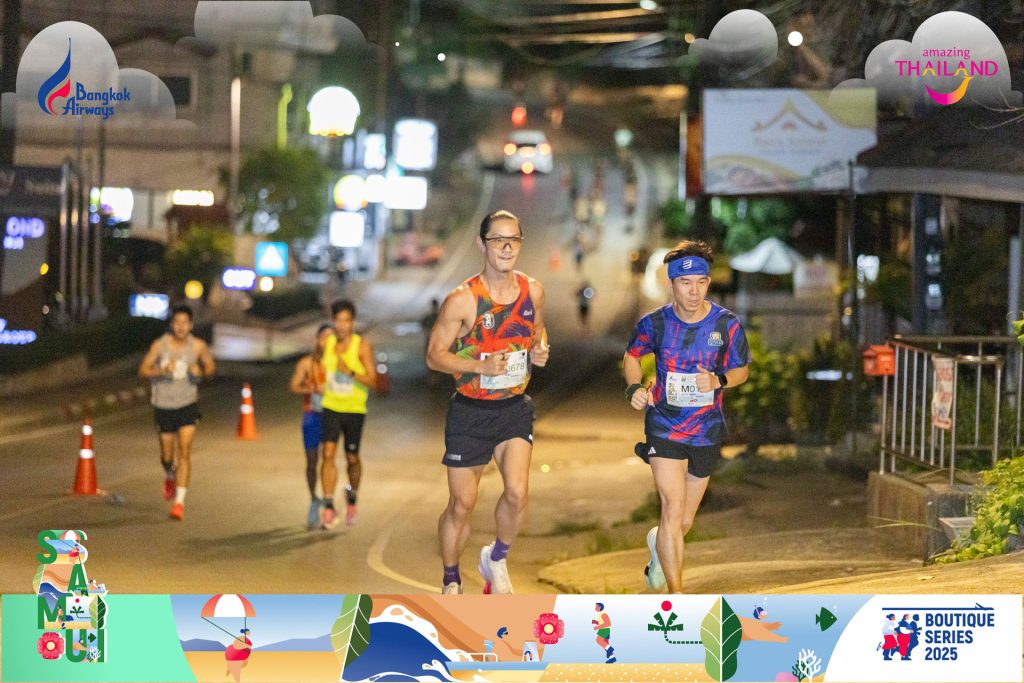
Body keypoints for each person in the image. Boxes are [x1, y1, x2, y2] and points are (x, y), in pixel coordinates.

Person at [426, 209, 550, 595]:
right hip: (470, 411)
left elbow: (538, 331)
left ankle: (496, 558)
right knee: (462, 504)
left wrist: (540, 349)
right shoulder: (463, 300)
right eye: (498, 240)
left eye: (513, 239)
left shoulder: (533, 291)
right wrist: (478, 365)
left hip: (513, 407)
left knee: (517, 492)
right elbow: (434, 356)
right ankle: (451, 579)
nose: (507, 247)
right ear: (482, 244)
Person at [624, 240, 750, 593]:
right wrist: (634, 388)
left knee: (683, 521)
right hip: (664, 425)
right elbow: (632, 356)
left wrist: (718, 380)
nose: (694, 291)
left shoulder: (726, 324)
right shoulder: (656, 323)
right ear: (671, 284)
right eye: (685, 283)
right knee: (672, 505)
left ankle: (658, 545)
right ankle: (677, 596)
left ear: (708, 282)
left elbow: (741, 370)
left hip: (706, 430)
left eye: (701, 282)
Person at [139, 304, 216, 521]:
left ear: (191, 325)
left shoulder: (198, 346)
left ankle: (179, 503)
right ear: (172, 325)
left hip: (187, 405)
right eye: (177, 322)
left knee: (185, 451)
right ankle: (170, 474)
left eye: (185, 323)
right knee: (167, 455)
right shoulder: (160, 345)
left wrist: (200, 371)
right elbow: (143, 370)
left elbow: (211, 368)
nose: (181, 327)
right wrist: (161, 370)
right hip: (163, 405)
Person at [320, 300, 377, 529]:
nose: (342, 325)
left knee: (352, 457)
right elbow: (315, 364)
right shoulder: (327, 342)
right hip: (331, 405)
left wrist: (351, 372)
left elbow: (373, 380)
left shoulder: (362, 346)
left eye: (347, 321)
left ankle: (352, 498)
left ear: (353, 322)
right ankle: (328, 506)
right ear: (333, 321)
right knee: (328, 453)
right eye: (338, 320)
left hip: (354, 409)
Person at [290, 323, 333, 529]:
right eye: (324, 338)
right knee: (312, 461)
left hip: (332, 416)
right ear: (317, 340)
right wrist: (313, 388)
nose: (327, 342)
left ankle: (328, 504)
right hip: (312, 417)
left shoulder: (339, 364)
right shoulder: (307, 363)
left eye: (332, 338)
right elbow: (293, 386)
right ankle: (314, 499)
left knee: (329, 459)